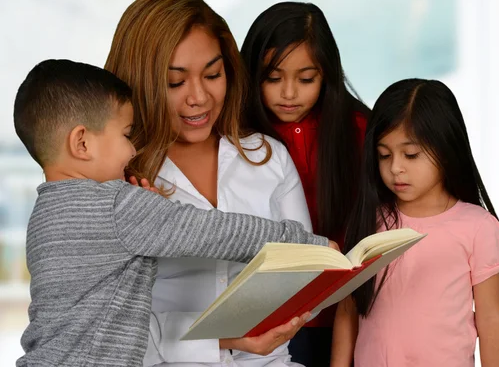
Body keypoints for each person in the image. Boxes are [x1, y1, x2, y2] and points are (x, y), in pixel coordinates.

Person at [14, 59, 331, 367]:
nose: (133, 150)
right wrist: (308, 245)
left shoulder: (44, 217)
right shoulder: (116, 205)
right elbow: (216, 233)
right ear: (82, 143)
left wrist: (149, 218)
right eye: (126, 135)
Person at [105, 0, 325, 366]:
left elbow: (303, 280)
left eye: (213, 74)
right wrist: (221, 339)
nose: (200, 98)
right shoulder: (117, 181)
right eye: (175, 82)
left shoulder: (266, 157)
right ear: (139, 82)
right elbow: (104, 334)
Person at [331, 79, 499, 367]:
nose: (395, 168)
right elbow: (349, 309)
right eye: (384, 155)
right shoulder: (371, 220)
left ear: (446, 149)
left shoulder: (477, 227)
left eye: (411, 155)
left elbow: (490, 319)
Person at [240, 2, 370, 366]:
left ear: (327, 75)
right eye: (273, 77)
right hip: (270, 319)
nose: (289, 93)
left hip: (348, 311)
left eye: (306, 79)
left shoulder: (359, 128)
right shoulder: (234, 136)